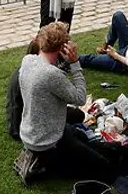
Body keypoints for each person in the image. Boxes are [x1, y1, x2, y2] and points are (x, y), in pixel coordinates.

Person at [17, 22, 120, 183]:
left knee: (83, 137)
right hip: (47, 140)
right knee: (105, 167)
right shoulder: (51, 74)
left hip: (31, 131)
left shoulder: (28, 60)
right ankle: (43, 164)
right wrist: (75, 63)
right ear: (62, 47)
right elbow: (80, 98)